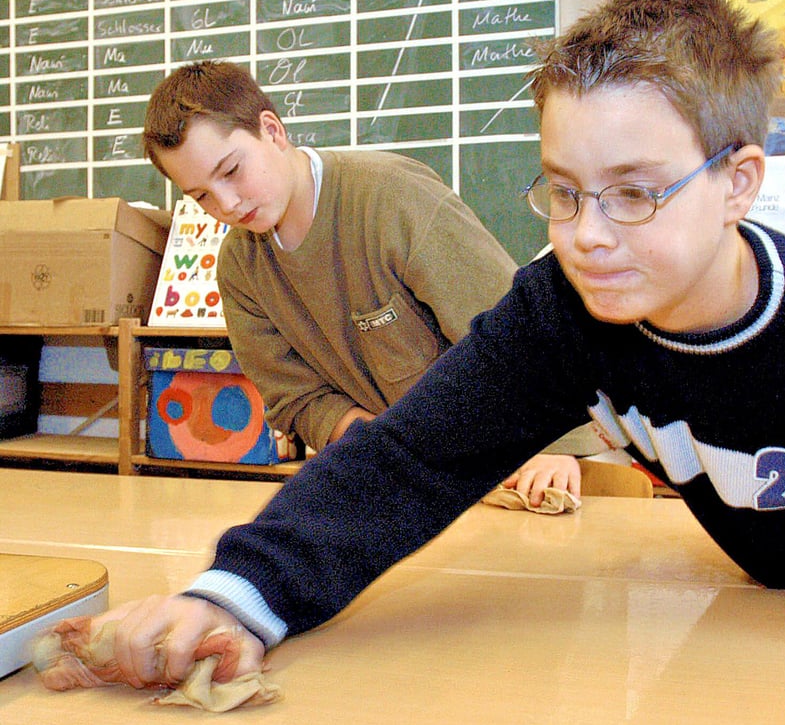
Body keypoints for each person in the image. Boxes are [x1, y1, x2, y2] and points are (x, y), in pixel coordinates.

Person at [105, 0, 785, 725]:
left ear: (739, 181)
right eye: (565, 192)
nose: (587, 235)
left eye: (634, 193)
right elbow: (411, 455)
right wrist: (235, 594)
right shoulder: (568, 311)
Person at [141, 60, 601, 504]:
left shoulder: (395, 200)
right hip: (410, 487)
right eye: (201, 195)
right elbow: (297, 399)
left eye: (231, 171)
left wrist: (559, 448)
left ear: (272, 130)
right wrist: (386, 453)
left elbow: (527, 337)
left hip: (520, 467)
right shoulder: (240, 268)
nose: (225, 203)